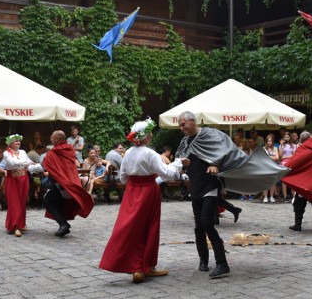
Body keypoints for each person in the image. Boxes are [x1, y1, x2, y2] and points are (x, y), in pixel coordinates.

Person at [100, 118, 183, 283]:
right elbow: (166, 174)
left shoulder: (128, 153)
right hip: (148, 191)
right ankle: (146, 266)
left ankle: (136, 267)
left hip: (131, 191)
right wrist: (179, 163)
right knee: (149, 227)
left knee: (130, 226)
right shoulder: (150, 153)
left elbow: (123, 178)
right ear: (147, 137)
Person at [176, 112, 251, 279]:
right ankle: (203, 259)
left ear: (192, 121)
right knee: (198, 227)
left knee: (207, 223)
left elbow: (225, 149)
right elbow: (179, 158)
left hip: (210, 185)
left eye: (183, 124)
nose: (181, 128)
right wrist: (180, 166)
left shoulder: (210, 134)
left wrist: (215, 163)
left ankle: (222, 264)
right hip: (195, 186)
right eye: (180, 125)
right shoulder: (184, 141)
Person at [30, 130, 94, 237]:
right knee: (57, 202)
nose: (50, 139)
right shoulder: (69, 149)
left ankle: (63, 224)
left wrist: (29, 168)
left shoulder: (54, 152)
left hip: (61, 184)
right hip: (69, 182)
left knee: (48, 202)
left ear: (56, 139)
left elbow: (43, 167)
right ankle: (63, 224)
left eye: (52, 138)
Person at [281, 131, 312, 232]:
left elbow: (295, 161)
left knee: (299, 202)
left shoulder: (305, 148)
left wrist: (283, 167)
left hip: (305, 181)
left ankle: (298, 224)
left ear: (301, 140)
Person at [3, 134, 32, 237]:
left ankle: (21, 223)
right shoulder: (6, 153)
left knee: (22, 202)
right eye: (16, 141)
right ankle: (15, 226)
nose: (18, 143)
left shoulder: (23, 152)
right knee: (14, 203)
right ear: (10, 144)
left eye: (19, 141)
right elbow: (12, 164)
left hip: (24, 179)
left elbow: (28, 162)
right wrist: (25, 163)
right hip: (12, 180)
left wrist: (29, 164)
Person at [261, 134, 280, 203]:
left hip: (273, 166)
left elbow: (277, 157)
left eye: (271, 141)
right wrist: (271, 157)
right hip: (265, 167)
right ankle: (265, 197)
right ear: (266, 142)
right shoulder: (263, 148)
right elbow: (262, 158)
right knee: (264, 182)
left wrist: (268, 157)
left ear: (272, 142)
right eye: (268, 141)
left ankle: (271, 196)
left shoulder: (275, 148)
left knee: (272, 182)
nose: (269, 142)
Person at [279, 132, 295, 202]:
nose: (286, 138)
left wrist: (286, 156)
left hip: (291, 162)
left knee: (292, 179)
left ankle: (294, 194)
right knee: (284, 180)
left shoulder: (293, 145)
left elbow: (295, 155)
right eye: (285, 137)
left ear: (290, 138)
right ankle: (285, 195)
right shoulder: (281, 145)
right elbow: (280, 156)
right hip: (283, 163)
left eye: (287, 137)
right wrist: (282, 146)